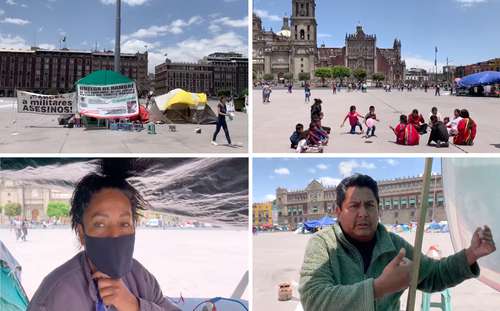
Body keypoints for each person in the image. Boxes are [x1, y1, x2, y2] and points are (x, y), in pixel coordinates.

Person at [299, 174, 496, 311]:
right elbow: (313, 300)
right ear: (338, 211)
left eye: (370, 205)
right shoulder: (323, 244)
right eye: (354, 206)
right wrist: (379, 288)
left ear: (378, 209)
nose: (363, 213)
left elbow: (434, 275)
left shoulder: (393, 246)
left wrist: (471, 254)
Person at [28, 160, 180, 311]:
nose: (114, 234)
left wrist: (133, 305)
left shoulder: (140, 277)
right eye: (100, 224)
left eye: (124, 224)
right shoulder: (56, 295)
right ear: (82, 233)